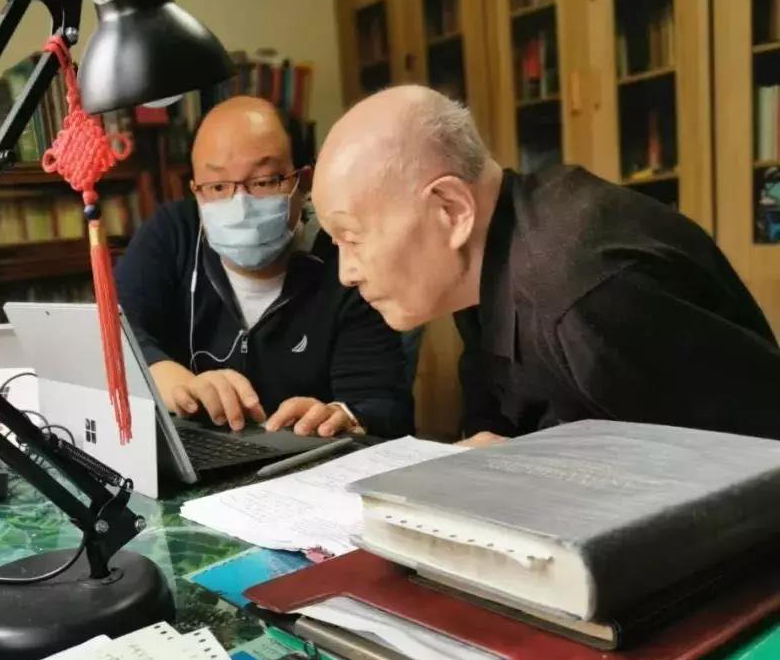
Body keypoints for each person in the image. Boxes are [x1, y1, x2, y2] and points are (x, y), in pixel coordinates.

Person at [312, 85, 780, 443]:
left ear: (450, 210)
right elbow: (493, 415)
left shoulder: (585, 294)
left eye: (352, 239)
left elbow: (739, 468)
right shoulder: (481, 264)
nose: (345, 273)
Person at [115, 96, 413, 439]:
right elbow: (110, 332)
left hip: (309, 459)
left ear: (304, 181)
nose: (240, 204)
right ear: (195, 191)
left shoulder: (347, 258)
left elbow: (386, 407)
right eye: (217, 186)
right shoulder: (174, 234)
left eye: (264, 181)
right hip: (199, 454)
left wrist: (342, 416)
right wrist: (177, 384)